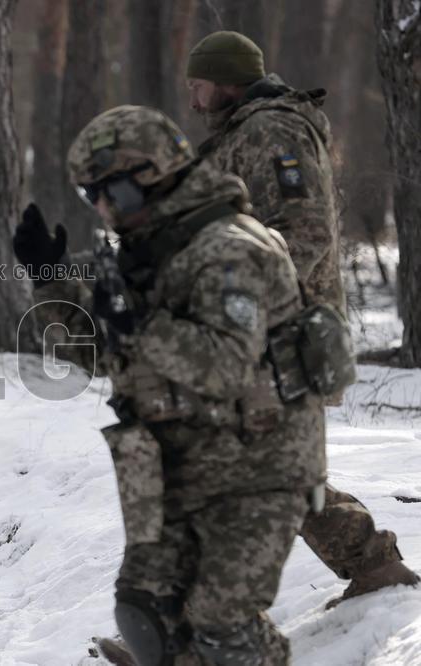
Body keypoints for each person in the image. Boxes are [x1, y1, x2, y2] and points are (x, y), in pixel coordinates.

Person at [15, 105, 336, 664]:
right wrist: (52, 281)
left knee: (223, 627)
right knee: (147, 616)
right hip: (183, 457)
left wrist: (138, 324)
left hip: (259, 464)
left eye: (110, 192)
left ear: (152, 176)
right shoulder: (152, 249)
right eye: (93, 196)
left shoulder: (231, 247)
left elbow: (225, 365)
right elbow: (98, 352)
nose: (105, 208)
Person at [186, 30, 417, 608]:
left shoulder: (273, 130)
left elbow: (304, 232)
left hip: (281, 339)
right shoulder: (240, 134)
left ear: (226, 80)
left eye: (198, 84)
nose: (191, 97)